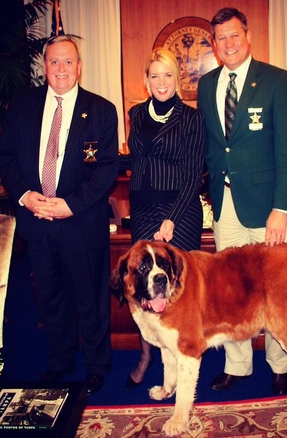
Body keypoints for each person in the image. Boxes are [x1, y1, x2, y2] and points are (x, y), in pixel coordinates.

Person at [0, 34, 119, 395]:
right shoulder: (22, 105)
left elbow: (106, 169)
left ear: (79, 67)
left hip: (80, 223)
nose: (61, 68)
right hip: (36, 221)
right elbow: (6, 157)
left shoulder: (100, 110)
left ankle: (97, 366)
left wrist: (71, 204)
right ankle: (62, 359)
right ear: (44, 67)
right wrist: (24, 196)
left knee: (89, 298)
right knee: (50, 296)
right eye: (54, 62)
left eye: (68, 62)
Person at [196, 7, 287, 395]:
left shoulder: (276, 80)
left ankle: (279, 362)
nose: (228, 44)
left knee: (275, 289)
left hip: (266, 209)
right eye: (220, 38)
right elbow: (212, 145)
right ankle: (237, 365)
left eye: (234, 36)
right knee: (230, 289)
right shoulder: (207, 86)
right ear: (214, 43)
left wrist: (282, 209)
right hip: (225, 206)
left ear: (248, 36)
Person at [123, 47, 206, 389]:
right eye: (154, 75)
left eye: (167, 75)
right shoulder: (136, 113)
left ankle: (182, 354)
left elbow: (194, 173)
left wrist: (171, 218)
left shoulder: (191, 119)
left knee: (178, 291)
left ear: (177, 79)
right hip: (143, 211)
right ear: (146, 80)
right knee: (143, 286)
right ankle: (146, 355)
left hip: (180, 210)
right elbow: (135, 162)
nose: (161, 82)